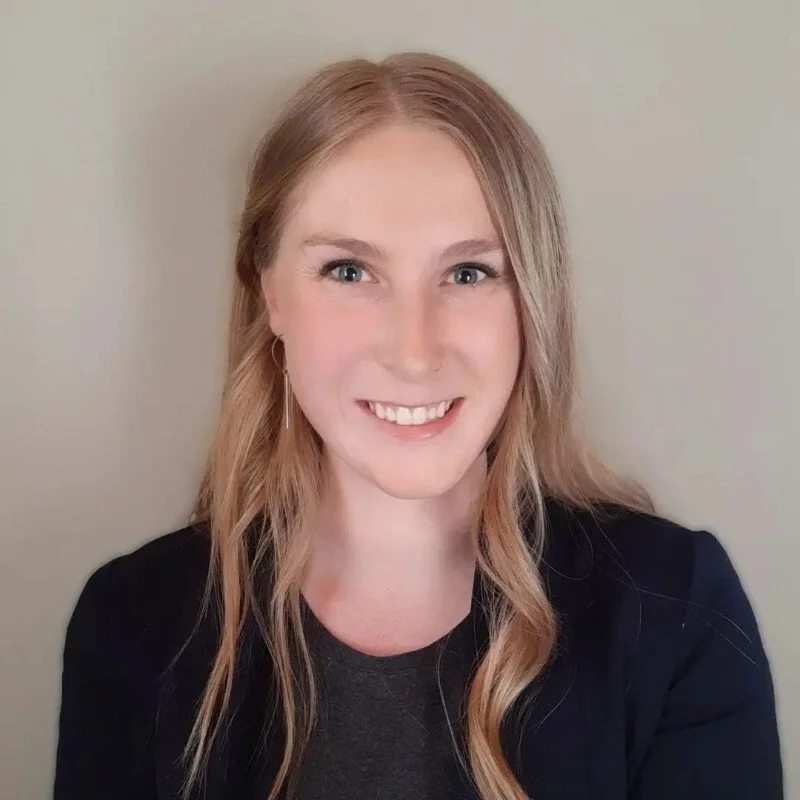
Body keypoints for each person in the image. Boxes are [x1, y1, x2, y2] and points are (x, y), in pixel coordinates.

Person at [53, 52, 783, 800]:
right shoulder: (132, 623)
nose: (414, 352)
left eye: (468, 274)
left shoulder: (675, 612)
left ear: (532, 300)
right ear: (269, 294)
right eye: (348, 270)